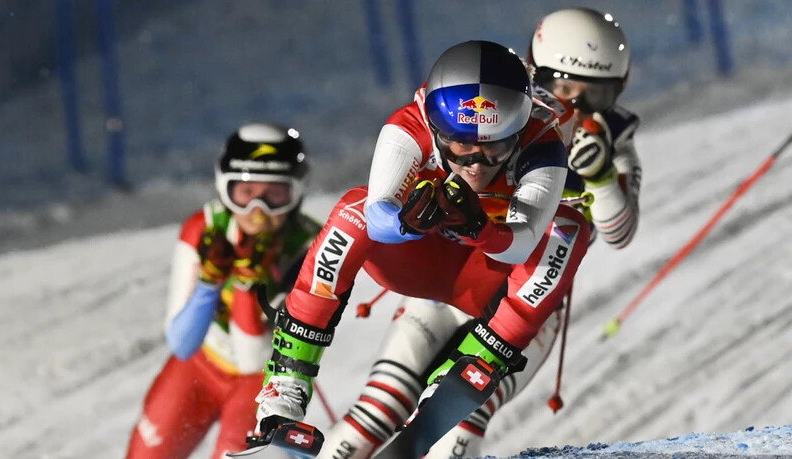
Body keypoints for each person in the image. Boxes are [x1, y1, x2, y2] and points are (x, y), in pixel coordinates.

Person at [316, 7, 642, 458]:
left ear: (617, 93)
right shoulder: (497, 112)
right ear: (533, 77)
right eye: (562, 87)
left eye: (596, 95)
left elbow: (620, 233)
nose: (575, 107)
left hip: (521, 298)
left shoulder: (613, 140)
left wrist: (602, 176)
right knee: (376, 410)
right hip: (448, 281)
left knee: (462, 416)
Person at [250, 39, 591, 455]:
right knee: (352, 210)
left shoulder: (544, 143)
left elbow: (523, 246)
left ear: (520, 129)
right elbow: (375, 216)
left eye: (495, 146)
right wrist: (406, 222)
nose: (476, 162)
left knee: (569, 229)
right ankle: (286, 384)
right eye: (460, 144)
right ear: (434, 127)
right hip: (427, 268)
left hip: (494, 285)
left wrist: (482, 230)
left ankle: (476, 366)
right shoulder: (408, 126)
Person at [125, 123, 320, 459]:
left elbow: (251, 361)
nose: (258, 212)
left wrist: (246, 284)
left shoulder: (310, 250)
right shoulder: (203, 229)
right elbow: (183, 344)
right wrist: (210, 283)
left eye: (274, 195)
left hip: (263, 382)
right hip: (201, 364)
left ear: (296, 192)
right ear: (224, 189)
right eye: (245, 194)